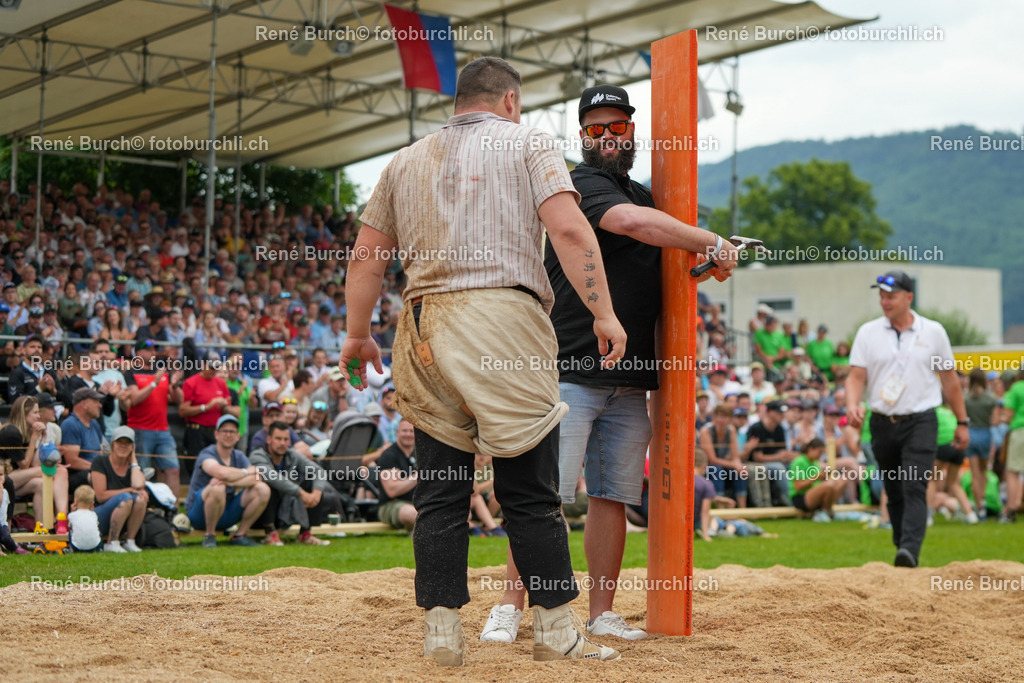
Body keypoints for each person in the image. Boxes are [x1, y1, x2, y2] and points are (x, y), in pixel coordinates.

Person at [341, 57, 629, 666]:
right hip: (502, 318)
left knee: (441, 490)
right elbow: (570, 231)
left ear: (459, 101)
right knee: (529, 489)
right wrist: (603, 312)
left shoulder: (405, 159)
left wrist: (356, 334)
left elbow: (367, 255)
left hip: (423, 322)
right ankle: (554, 630)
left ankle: (443, 633)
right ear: (510, 101)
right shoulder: (529, 142)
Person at [478, 81, 739, 643]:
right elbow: (632, 225)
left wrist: (703, 262)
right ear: (582, 136)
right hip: (571, 368)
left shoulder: (644, 195)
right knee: (543, 496)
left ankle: (601, 614)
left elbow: (659, 252)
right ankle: (509, 606)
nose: (608, 136)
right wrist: (710, 241)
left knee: (612, 497)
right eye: (596, 128)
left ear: (631, 129)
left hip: (631, 378)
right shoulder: (580, 184)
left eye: (617, 126)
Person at [846, 270, 969, 567]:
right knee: (894, 489)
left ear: (909, 297)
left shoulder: (933, 332)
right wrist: (852, 404)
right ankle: (902, 545)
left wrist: (962, 421)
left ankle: (910, 551)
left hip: (921, 421)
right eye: (882, 296)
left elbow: (949, 380)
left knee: (914, 484)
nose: (885, 302)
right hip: (882, 422)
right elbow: (856, 376)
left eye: (891, 296)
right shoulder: (868, 333)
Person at [184, 414, 270, 548]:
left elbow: (258, 477)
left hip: (227, 511)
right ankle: (209, 536)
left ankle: (240, 535)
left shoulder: (239, 456)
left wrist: (233, 482)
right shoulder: (207, 453)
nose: (228, 435)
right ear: (216, 434)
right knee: (218, 488)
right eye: (224, 431)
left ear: (238, 436)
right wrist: (246, 472)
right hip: (199, 514)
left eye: (232, 432)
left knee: (263, 489)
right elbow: (220, 473)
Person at [250, 420, 339, 546]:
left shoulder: (292, 455)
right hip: (259, 516)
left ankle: (305, 534)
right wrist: (301, 493)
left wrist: (316, 493)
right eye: (278, 439)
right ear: (269, 439)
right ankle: (270, 533)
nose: (282, 443)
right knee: (268, 486)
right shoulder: (257, 456)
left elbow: (319, 471)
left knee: (312, 483)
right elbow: (274, 478)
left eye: (286, 439)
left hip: (285, 509)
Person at [124, 337, 183, 494]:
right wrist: (154, 383)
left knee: (173, 470)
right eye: (148, 349)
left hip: (163, 430)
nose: (153, 352)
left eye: (154, 349)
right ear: (138, 353)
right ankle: (142, 504)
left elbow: (180, 400)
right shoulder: (131, 372)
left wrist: (175, 386)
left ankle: (171, 507)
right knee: (142, 472)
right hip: (140, 430)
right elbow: (134, 399)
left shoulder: (162, 372)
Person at [89, 426, 148, 553]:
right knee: (126, 498)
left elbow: (138, 485)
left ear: (132, 447)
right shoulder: (100, 461)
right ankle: (112, 542)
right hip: (99, 516)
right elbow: (100, 496)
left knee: (140, 499)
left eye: (127, 443)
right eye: (119, 442)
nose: (123, 446)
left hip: (124, 516)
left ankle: (130, 541)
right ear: (112, 445)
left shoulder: (133, 466)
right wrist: (128, 490)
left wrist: (133, 461)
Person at [179, 352, 239, 473]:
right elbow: (183, 411)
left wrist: (224, 407)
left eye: (216, 367)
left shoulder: (221, 383)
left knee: (219, 466)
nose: (214, 370)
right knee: (197, 467)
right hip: (197, 431)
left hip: (215, 431)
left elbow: (235, 411)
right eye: (211, 367)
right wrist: (206, 407)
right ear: (203, 365)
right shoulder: (191, 382)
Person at [963, 368, 997, 519]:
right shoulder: (990, 399)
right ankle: (982, 501)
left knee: (975, 473)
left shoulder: (966, 398)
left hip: (970, 434)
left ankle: (979, 506)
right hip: (985, 435)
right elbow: (994, 421)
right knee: (983, 472)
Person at [789, 438, 849, 522]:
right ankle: (824, 511)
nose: (820, 455)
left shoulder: (815, 462)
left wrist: (824, 476)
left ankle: (826, 510)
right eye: (819, 452)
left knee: (842, 481)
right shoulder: (799, 461)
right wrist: (816, 477)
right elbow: (798, 487)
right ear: (810, 449)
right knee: (829, 485)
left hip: (813, 494)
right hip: (801, 497)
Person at [373, 419, 418, 531]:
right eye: (404, 431)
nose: (408, 434)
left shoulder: (420, 454)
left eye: (411, 431)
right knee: (413, 513)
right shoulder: (389, 455)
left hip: (418, 503)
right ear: (397, 432)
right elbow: (392, 490)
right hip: (391, 505)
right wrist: (419, 475)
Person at [0, 460, 30, 554]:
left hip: (2, 524)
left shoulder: (5, 492)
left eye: (1, 474)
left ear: (5, 476)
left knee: (6, 537)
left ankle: (15, 548)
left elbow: (5, 510)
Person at [67, 484, 103, 553]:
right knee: (98, 531)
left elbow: (69, 526)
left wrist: (72, 511)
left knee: (71, 532)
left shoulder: (72, 515)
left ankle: (72, 549)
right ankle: (100, 549)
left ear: (75, 501)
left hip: (77, 547)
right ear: (92, 503)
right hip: (94, 546)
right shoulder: (94, 514)